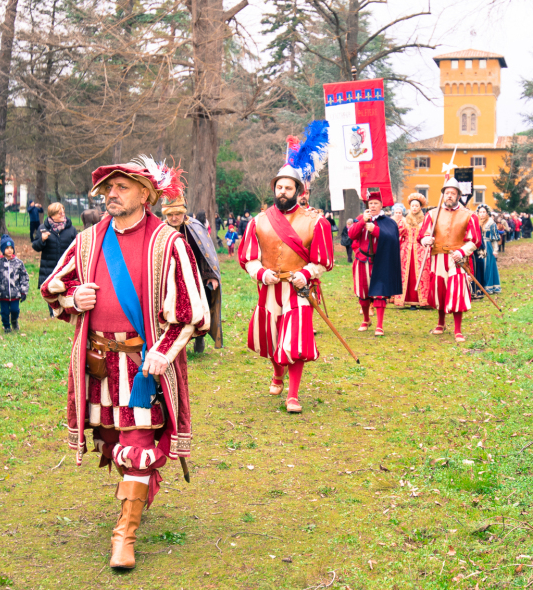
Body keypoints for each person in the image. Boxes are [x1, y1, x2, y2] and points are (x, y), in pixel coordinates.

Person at [40, 154, 211, 570]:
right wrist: (72, 298)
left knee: (137, 445)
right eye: (107, 189)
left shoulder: (168, 242)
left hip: (144, 366)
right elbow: (52, 287)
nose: (110, 195)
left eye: (121, 188)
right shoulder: (88, 240)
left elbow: (192, 311)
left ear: (146, 194)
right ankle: (139, 490)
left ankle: (125, 534)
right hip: (99, 364)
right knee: (114, 443)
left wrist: (162, 350)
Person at [238, 165, 334, 413]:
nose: (282, 192)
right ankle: (277, 373)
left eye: (288, 188)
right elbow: (249, 257)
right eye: (279, 187)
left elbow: (323, 261)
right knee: (271, 337)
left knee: (295, 340)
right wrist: (260, 272)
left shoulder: (316, 222)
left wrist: (306, 273)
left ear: (298, 191)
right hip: (270, 289)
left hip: (298, 290)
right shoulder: (258, 221)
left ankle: (293, 395)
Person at [418, 178, 483, 343]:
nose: (449, 196)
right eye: (447, 193)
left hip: (457, 258)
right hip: (438, 256)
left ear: (458, 196)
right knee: (440, 289)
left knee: (457, 291)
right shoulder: (432, 214)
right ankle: (440, 323)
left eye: (453, 193)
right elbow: (423, 235)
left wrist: (462, 251)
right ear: (443, 195)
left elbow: (475, 240)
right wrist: (427, 240)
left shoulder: (469, 215)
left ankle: (458, 329)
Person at [161, 195, 223, 354]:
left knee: (199, 308)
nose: (174, 218)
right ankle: (175, 341)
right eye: (170, 215)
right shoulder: (160, 230)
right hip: (171, 279)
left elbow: (206, 253)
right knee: (174, 310)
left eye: (177, 214)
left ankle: (200, 336)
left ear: (184, 212)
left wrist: (211, 275)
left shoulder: (195, 226)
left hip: (196, 277)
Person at [347, 188, 402, 335]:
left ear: (381, 205)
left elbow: (391, 239)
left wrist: (375, 230)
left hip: (380, 262)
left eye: (376, 203)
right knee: (363, 292)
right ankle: (366, 319)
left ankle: (379, 325)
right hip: (362, 260)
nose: (372, 206)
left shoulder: (388, 222)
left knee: (379, 293)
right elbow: (351, 235)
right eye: (370, 203)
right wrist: (362, 223)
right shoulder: (361, 218)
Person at [32, 202, 78, 318]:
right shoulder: (43, 229)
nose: (62, 214)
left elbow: (76, 247)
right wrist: (42, 240)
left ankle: (65, 310)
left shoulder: (71, 229)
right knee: (51, 289)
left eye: (63, 211)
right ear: (51, 215)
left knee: (64, 287)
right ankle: (53, 312)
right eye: (59, 212)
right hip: (49, 266)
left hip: (66, 266)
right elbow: (36, 247)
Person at [395, 193, 430, 308]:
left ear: (420, 207)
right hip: (406, 250)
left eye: (417, 206)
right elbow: (397, 233)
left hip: (420, 249)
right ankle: (406, 299)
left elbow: (428, 234)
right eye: (412, 206)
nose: (414, 208)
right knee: (406, 274)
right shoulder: (404, 220)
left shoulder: (424, 220)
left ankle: (422, 300)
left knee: (420, 274)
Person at [0, 234, 29, 333]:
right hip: (2, 293)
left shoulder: (18, 263)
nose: (9, 250)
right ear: (2, 249)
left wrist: (24, 291)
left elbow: (24, 277)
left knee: (15, 310)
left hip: (15, 293)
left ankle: (14, 320)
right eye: (7, 248)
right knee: (4, 312)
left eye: (11, 248)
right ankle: (6, 326)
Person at [476, 205, 501, 294]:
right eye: (480, 212)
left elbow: (494, 238)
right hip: (477, 246)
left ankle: (489, 286)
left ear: (487, 213)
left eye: (484, 212)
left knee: (488, 266)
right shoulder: (476, 222)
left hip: (487, 245)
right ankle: (479, 286)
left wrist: (495, 250)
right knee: (479, 265)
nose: (482, 214)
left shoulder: (491, 223)